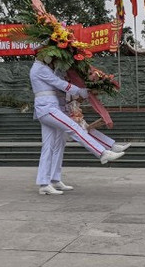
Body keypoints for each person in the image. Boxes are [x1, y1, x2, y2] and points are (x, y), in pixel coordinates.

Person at [31, 55, 123, 196]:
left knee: (52, 146)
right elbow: (58, 83)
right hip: (47, 107)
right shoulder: (40, 68)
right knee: (74, 128)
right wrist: (79, 91)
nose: (51, 58)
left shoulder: (46, 68)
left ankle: (49, 182)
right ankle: (102, 153)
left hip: (50, 107)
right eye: (50, 55)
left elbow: (59, 82)